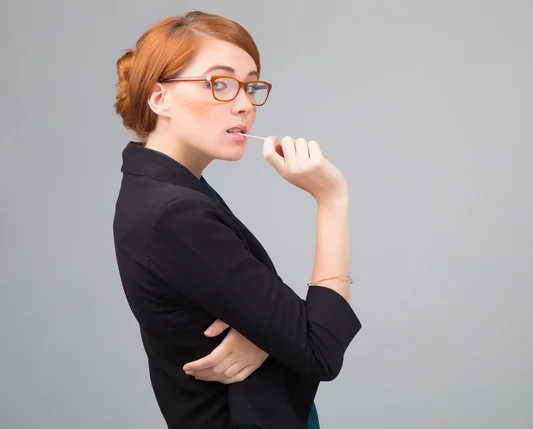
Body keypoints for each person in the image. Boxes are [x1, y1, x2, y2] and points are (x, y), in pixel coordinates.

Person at [112, 10, 361, 429]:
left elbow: (266, 317)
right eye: (220, 84)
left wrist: (265, 337)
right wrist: (332, 199)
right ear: (160, 98)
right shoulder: (175, 212)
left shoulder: (163, 188)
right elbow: (319, 347)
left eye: (251, 86)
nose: (245, 104)